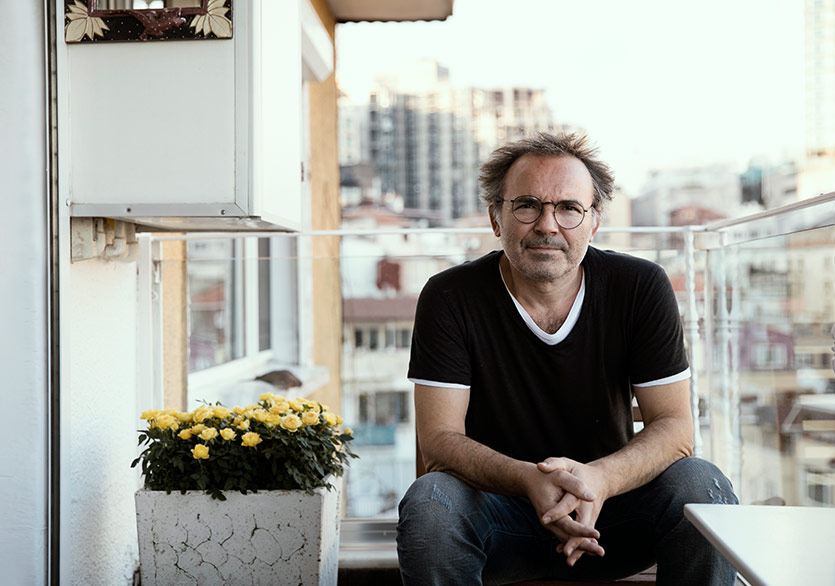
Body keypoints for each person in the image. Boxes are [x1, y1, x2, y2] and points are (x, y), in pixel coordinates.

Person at [396, 132, 737, 586]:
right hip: (497, 521)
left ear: (593, 222)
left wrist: (600, 479)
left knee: (701, 486)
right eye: (527, 205)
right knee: (430, 503)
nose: (547, 225)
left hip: (610, 516)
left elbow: (676, 429)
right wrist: (527, 480)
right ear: (496, 217)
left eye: (569, 208)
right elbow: (438, 439)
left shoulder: (640, 286)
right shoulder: (450, 295)